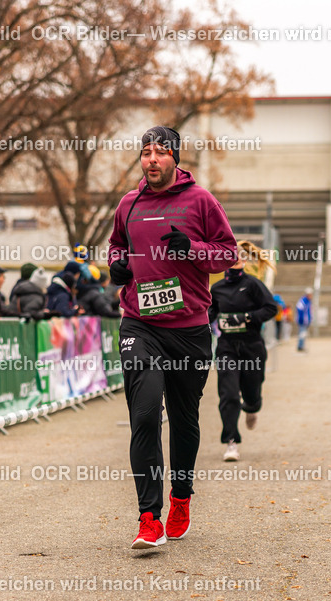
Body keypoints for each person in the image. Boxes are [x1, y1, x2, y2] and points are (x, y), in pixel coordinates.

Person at [108, 125, 238, 549]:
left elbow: (228, 253)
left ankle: (180, 498)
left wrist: (193, 250)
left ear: (175, 159)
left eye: (161, 152)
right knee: (144, 415)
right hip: (139, 324)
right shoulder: (128, 204)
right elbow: (115, 247)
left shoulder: (200, 200)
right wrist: (118, 266)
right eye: (145, 152)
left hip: (189, 329)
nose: (152, 159)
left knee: (184, 421)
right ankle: (149, 517)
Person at [208, 243, 278, 461]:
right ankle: (231, 441)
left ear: (244, 262)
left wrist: (247, 317)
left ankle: (252, 407)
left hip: (252, 347)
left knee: (252, 393)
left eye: (239, 257)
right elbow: (210, 313)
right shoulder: (217, 289)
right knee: (228, 394)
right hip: (227, 348)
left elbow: (271, 308)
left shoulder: (253, 285)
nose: (235, 259)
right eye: (231, 257)